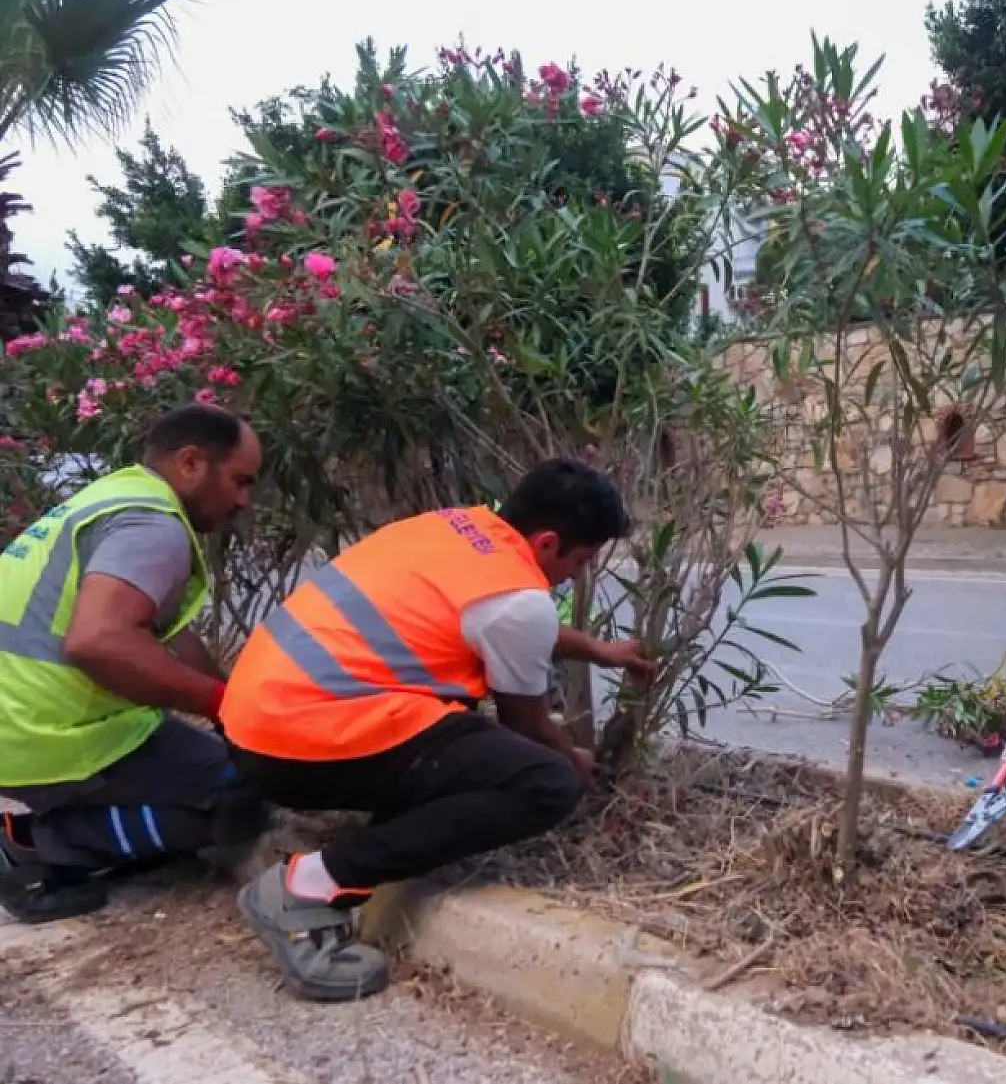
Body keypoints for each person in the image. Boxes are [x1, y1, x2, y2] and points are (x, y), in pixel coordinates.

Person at [221, 458, 655, 1003]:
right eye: (583, 559)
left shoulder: (453, 527)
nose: (578, 574)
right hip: (304, 743)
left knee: (459, 735)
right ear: (547, 544)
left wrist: (594, 648)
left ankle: (371, 834)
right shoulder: (518, 601)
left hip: (256, 725)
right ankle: (308, 885)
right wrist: (576, 759)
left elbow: (491, 616)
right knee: (546, 781)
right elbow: (529, 724)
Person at [0, 404, 268, 923]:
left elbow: (165, 630)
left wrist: (232, 710)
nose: (243, 499)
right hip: (38, 730)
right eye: (239, 480)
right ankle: (37, 845)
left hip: (21, 717)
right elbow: (100, 642)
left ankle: (63, 821)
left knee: (214, 756)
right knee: (239, 796)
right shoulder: (153, 525)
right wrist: (219, 702)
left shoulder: (114, 497)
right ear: (191, 463)